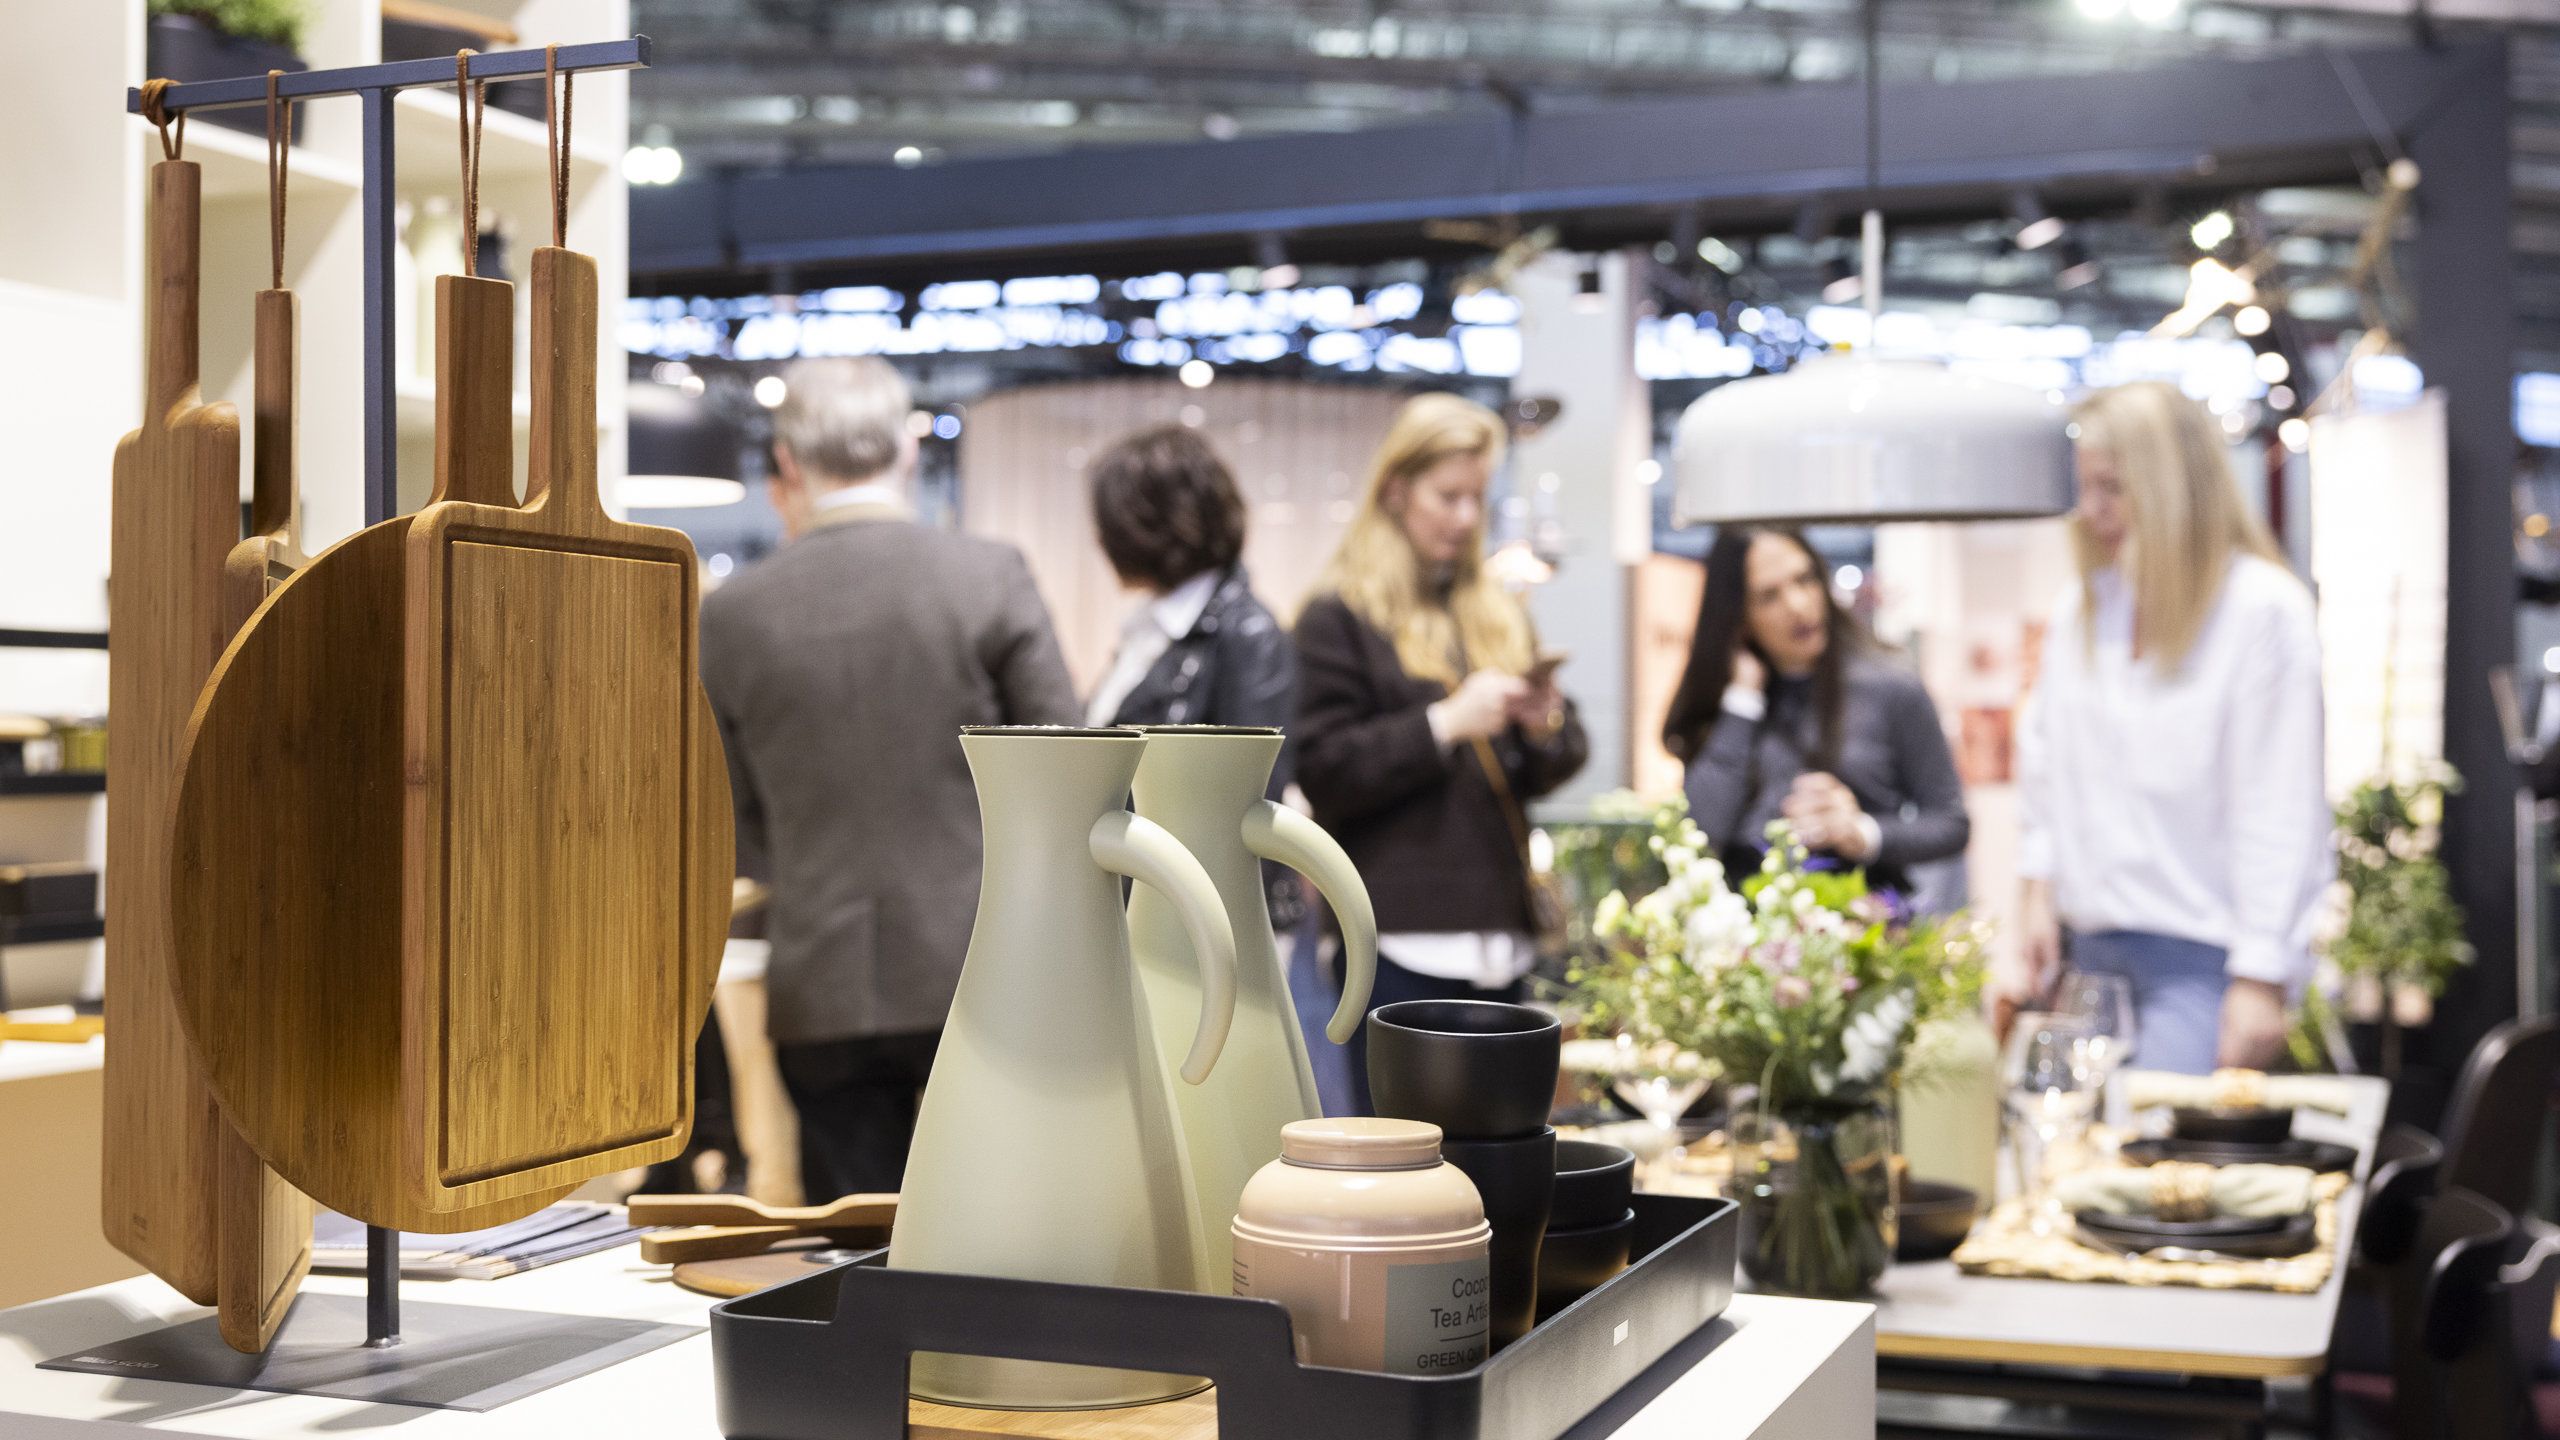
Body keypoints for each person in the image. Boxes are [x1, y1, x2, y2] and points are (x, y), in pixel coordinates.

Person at [700, 356, 1081, 1200]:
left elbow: (734, 820)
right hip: (986, 973)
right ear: (909, 451)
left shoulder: (731, 615)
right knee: (999, 1238)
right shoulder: (988, 578)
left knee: (859, 1252)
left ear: (790, 465)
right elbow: (1074, 771)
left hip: (820, 979)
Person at [2005, 381, 2329, 1074]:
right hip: (2088, 957)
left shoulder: (2261, 611)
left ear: (2172, 486)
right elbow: (2046, 767)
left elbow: (2279, 809)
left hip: (2202, 968)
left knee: (2159, 1172)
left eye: (2113, 487)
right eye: (2084, 487)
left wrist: (2261, 977)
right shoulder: (2084, 611)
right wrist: (2035, 898)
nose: (2092, 511)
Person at [1293, 392, 1589, 1113]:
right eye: (1447, 495)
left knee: (1506, 1159)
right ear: (1397, 490)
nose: (1464, 518)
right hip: (1398, 938)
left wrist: (1542, 722)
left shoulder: (1494, 609)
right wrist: (1444, 723)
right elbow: (1324, 769)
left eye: (1476, 498)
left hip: (1505, 934)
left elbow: (1559, 758)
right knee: (1407, 1171)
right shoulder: (1338, 616)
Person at [1663, 527, 1970, 902]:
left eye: (1805, 579)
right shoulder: (1734, 702)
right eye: (1768, 596)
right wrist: (1742, 701)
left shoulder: (1891, 689)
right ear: (1737, 614)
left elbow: (1951, 823)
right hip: (1740, 937)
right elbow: (1701, 832)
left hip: (1861, 929)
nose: (1797, 604)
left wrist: (1862, 833)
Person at [1085, 424, 1301, 923]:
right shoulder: (1152, 628)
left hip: (1193, 923)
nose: (1100, 539)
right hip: (1142, 903)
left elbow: (1251, 807)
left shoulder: (1246, 634)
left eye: (1109, 522)